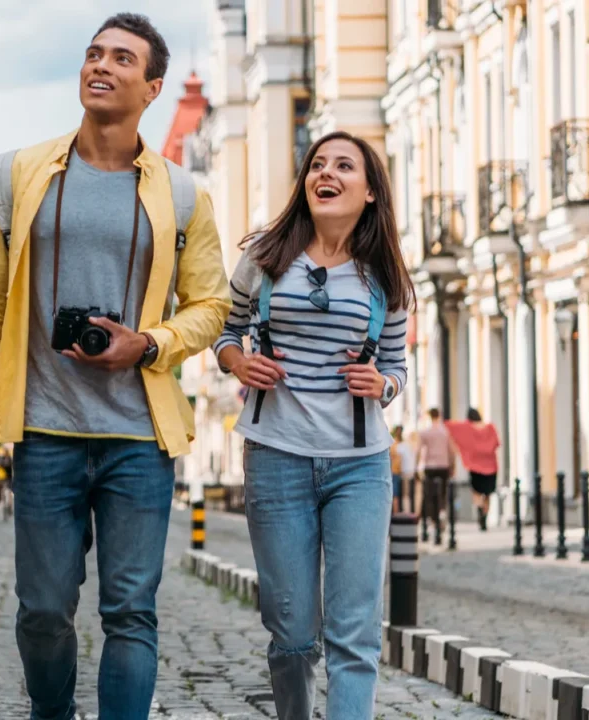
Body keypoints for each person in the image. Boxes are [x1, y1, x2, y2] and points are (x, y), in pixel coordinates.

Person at [0, 12, 230, 719]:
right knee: (43, 610)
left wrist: (149, 343)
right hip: (45, 432)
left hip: (139, 437)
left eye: (122, 58)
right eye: (94, 53)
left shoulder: (183, 194)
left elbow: (212, 305)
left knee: (130, 611)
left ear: (152, 88)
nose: (101, 65)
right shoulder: (17, 176)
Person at [215, 130, 413, 719]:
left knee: (354, 633)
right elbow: (225, 331)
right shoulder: (265, 257)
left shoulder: (385, 276)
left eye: (344, 165)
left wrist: (383, 385)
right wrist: (238, 362)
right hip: (276, 456)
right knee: (294, 632)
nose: (326, 173)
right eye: (318, 164)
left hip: (360, 467)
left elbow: (397, 365)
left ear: (370, 191)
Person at [445, 408, 501, 530]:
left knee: (476, 492)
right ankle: (485, 514)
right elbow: (497, 443)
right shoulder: (490, 427)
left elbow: (449, 426)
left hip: (476, 467)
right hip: (491, 467)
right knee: (487, 494)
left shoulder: (467, 428)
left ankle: (479, 508)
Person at [417, 408, 455, 545]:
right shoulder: (445, 432)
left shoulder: (425, 432)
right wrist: (453, 466)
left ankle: (433, 522)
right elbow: (452, 451)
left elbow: (419, 450)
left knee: (430, 496)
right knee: (443, 494)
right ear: (439, 416)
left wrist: (416, 466)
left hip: (430, 467)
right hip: (443, 466)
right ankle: (442, 513)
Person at [390, 425, 415, 514]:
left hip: (397, 471)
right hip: (397, 471)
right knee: (398, 494)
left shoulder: (397, 444)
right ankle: (397, 513)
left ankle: (397, 513)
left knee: (397, 494)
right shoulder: (398, 444)